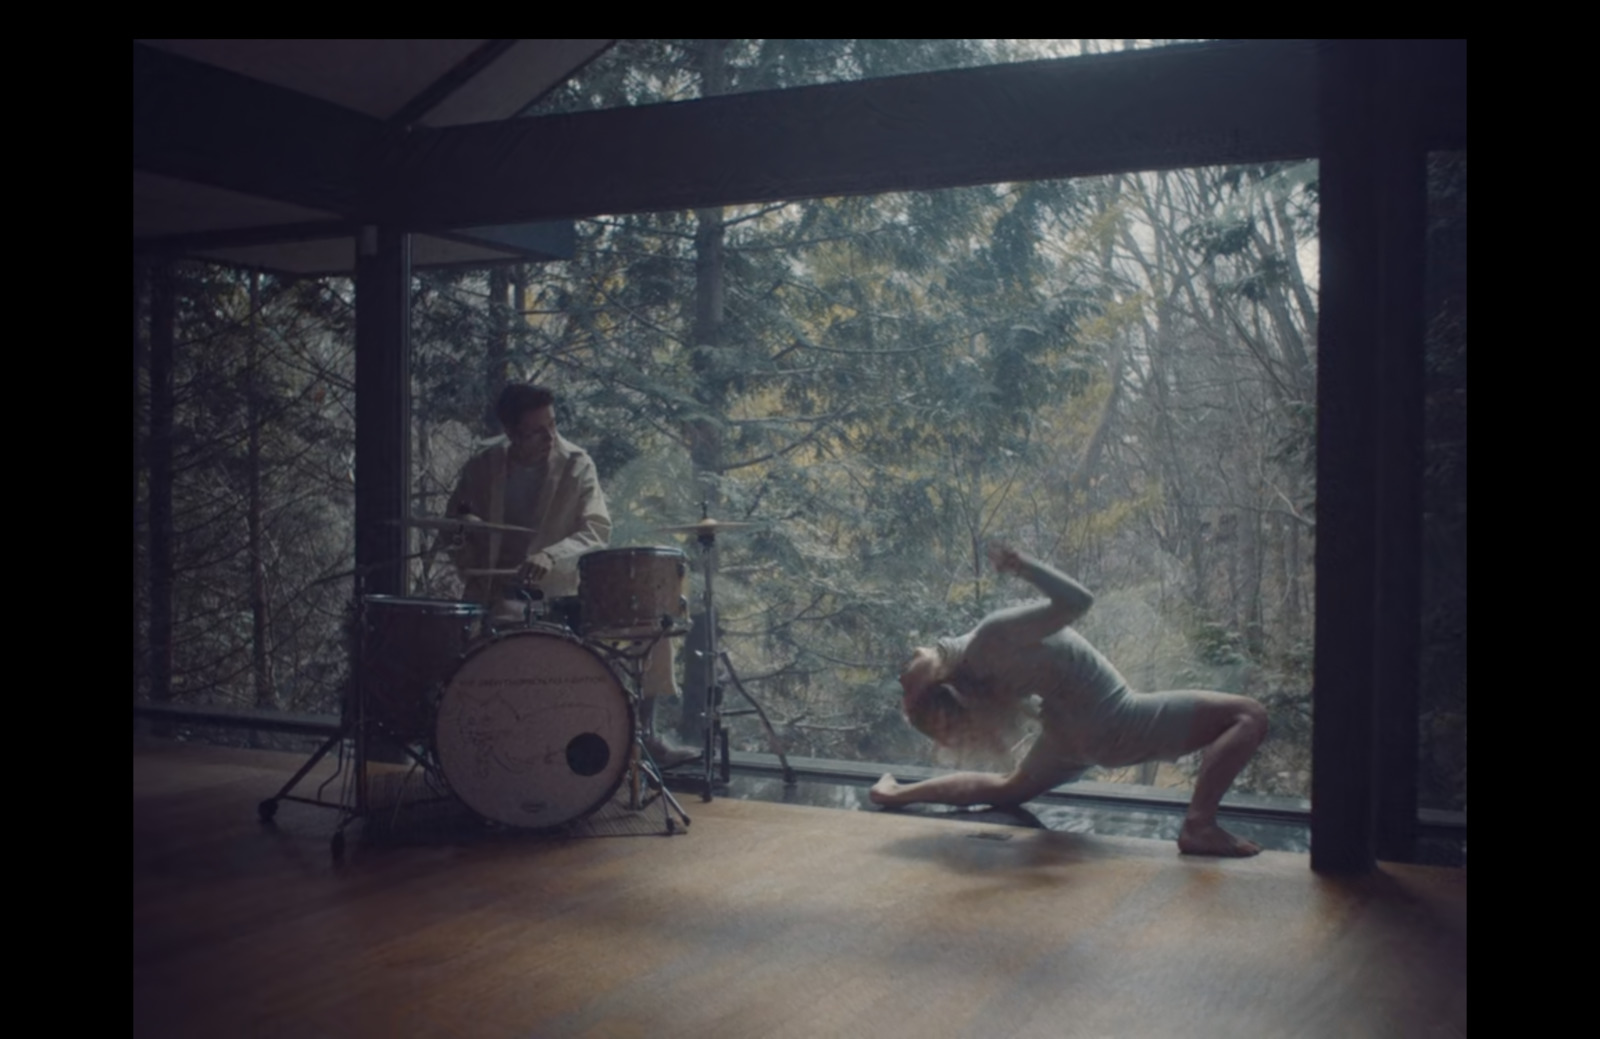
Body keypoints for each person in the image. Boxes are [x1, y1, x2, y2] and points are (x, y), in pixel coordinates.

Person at [871, 543, 1269, 857]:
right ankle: (1199, 824)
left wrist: (898, 790)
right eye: (908, 682)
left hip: (1069, 735)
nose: (904, 669)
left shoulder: (975, 673)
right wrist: (1022, 565)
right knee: (1248, 715)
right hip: (1115, 720)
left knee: (1007, 787)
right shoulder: (990, 638)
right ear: (934, 680)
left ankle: (892, 793)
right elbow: (1079, 601)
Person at [446, 383, 696, 767]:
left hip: (559, 593)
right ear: (512, 432)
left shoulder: (576, 463)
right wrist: (468, 537)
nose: (551, 437)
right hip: (494, 594)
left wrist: (552, 554)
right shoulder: (483, 466)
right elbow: (453, 528)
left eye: (554, 425)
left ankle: (644, 738)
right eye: (537, 430)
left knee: (652, 628)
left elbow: (595, 531)